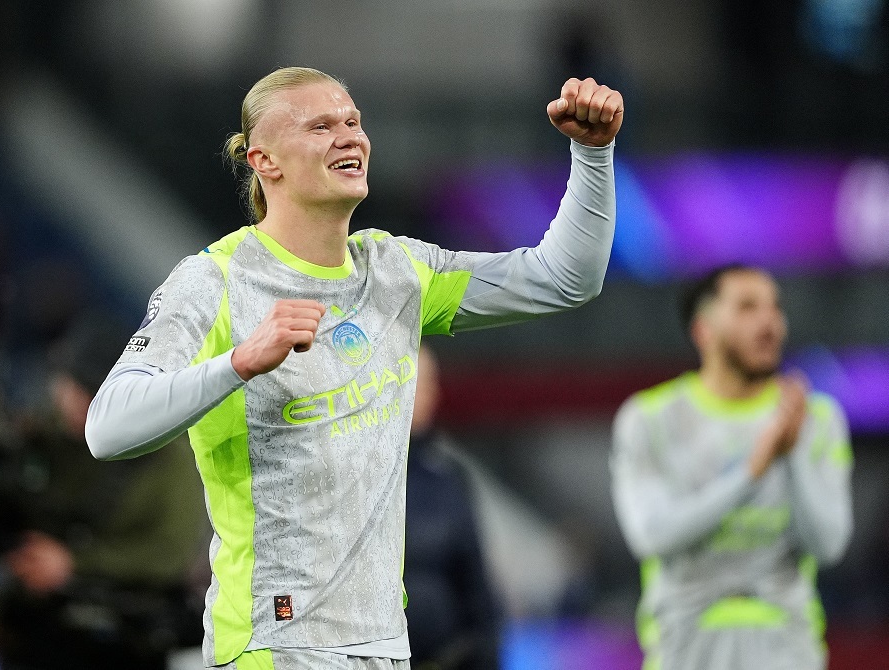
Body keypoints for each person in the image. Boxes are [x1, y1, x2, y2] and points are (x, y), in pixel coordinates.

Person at [86, 66, 623, 669]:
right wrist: (239, 363)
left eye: (353, 122)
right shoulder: (214, 280)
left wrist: (592, 155)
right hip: (274, 644)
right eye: (321, 126)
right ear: (264, 160)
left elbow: (563, 279)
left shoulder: (397, 271)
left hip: (385, 646)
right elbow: (107, 428)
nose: (349, 136)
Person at [610, 265, 853, 670]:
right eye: (747, 307)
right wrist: (750, 474)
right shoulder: (649, 419)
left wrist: (792, 452)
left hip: (787, 649)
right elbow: (651, 535)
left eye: (775, 307)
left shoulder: (817, 418)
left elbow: (829, 545)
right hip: (685, 649)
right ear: (703, 330)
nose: (770, 322)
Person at [0, 313, 209, 670]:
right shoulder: (39, 437)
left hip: (123, 639)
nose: (80, 403)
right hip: (37, 633)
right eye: (73, 388)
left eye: (96, 392)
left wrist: (74, 564)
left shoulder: (169, 454)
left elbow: (169, 553)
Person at [403, 346, 500, 669]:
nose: (432, 394)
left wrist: (485, 651)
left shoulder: (448, 476)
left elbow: (475, 578)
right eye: (420, 383)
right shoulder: (351, 474)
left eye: (431, 383)